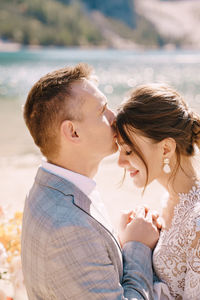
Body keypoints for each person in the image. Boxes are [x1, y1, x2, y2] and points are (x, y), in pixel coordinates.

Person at [21, 63, 160, 300]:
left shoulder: (51, 185)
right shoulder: (69, 228)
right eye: (102, 111)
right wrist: (137, 246)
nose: (115, 116)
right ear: (73, 132)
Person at [116, 83, 200, 300]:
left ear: (166, 148)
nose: (120, 162)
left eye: (129, 150)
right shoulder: (168, 201)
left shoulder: (197, 219)